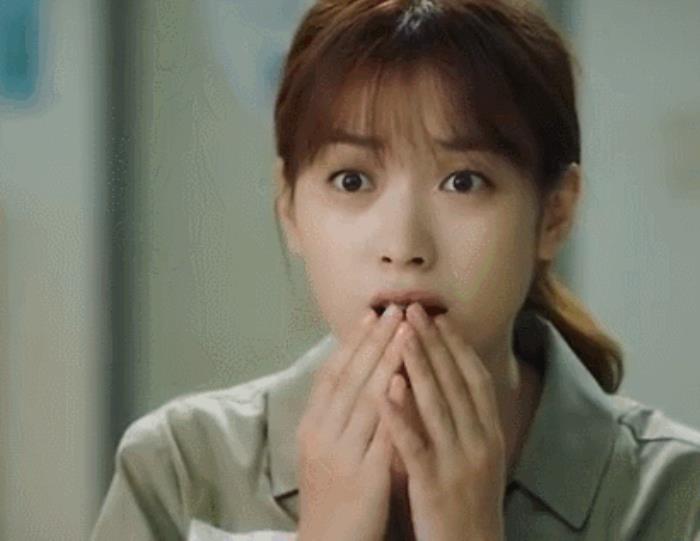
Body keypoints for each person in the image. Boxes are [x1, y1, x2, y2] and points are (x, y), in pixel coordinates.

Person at [90, 1, 700, 540]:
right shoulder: (181, 468)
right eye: (352, 180)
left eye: (464, 182)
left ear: (554, 213)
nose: (403, 246)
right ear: (290, 208)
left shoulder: (675, 492)